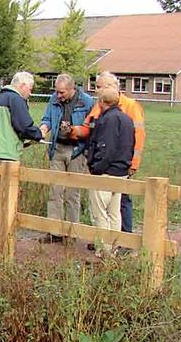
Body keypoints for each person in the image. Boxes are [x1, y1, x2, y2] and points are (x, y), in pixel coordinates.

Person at [70, 71, 146, 236]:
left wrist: (133, 163)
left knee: (120, 203)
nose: (96, 90)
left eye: (99, 87)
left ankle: (122, 240)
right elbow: (87, 128)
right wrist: (71, 131)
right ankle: (109, 241)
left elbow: (138, 137)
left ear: (111, 87)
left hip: (116, 165)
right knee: (112, 208)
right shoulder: (99, 106)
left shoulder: (131, 106)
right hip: (109, 164)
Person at [38, 73, 94, 242]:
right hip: (58, 148)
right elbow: (47, 118)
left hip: (76, 150)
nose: (58, 95)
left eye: (62, 92)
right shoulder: (54, 100)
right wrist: (43, 129)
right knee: (55, 190)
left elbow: (91, 127)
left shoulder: (86, 102)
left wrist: (73, 130)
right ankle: (54, 231)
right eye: (57, 92)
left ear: (72, 89)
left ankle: (72, 232)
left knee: (72, 193)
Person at [0, 71, 43, 215]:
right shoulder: (16, 100)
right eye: (30, 89)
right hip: (6, 154)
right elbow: (24, 125)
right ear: (22, 86)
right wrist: (38, 134)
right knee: (4, 197)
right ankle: (1, 235)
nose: (30, 93)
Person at [86, 85, 134, 256]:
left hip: (106, 173)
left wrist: (96, 167)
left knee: (100, 213)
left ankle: (104, 249)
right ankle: (114, 247)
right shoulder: (127, 119)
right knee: (115, 213)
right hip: (122, 172)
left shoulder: (107, 120)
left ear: (101, 102)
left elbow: (106, 148)